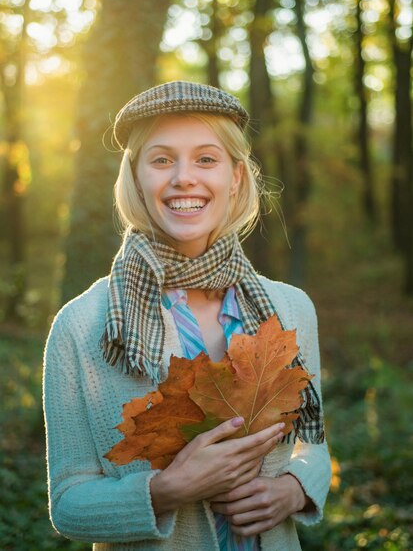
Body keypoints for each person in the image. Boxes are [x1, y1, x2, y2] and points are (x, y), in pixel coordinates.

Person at [43, 80, 331, 551]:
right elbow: (69, 504)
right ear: (135, 176)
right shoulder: (83, 325)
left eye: (206, 159)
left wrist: (293, 489)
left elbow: (313, 447)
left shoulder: (290, 308)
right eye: (161, 160)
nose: (183, 178)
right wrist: (166, 492)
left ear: (236, 176)